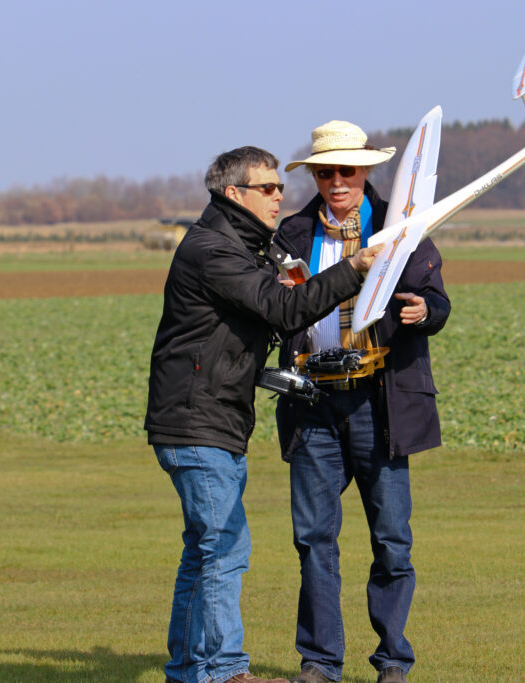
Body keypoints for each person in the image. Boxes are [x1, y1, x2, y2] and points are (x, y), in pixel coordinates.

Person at [144, 145, 383, 683]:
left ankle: (187, 669)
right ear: (234, 194)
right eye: (268, 188)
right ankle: (225, 672)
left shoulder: (243, 247)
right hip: (196, 421)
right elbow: (282, 308)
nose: (281, 196)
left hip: (211, 419)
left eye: (280, 187)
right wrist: (355, 267)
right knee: (225, 548)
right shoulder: (215, 251)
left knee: (202, 552)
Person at [273, 122, 451, 683]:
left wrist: (425, 312)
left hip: (378, 401)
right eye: (325, 172)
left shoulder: (404, 230)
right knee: (313, 540)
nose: (336, 182)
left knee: (392, 540)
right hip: (312, 403)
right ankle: (320, 663)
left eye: (346, 170)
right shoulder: (291, 234)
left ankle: (393, 661)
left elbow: (437, 301)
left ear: (366, 172)